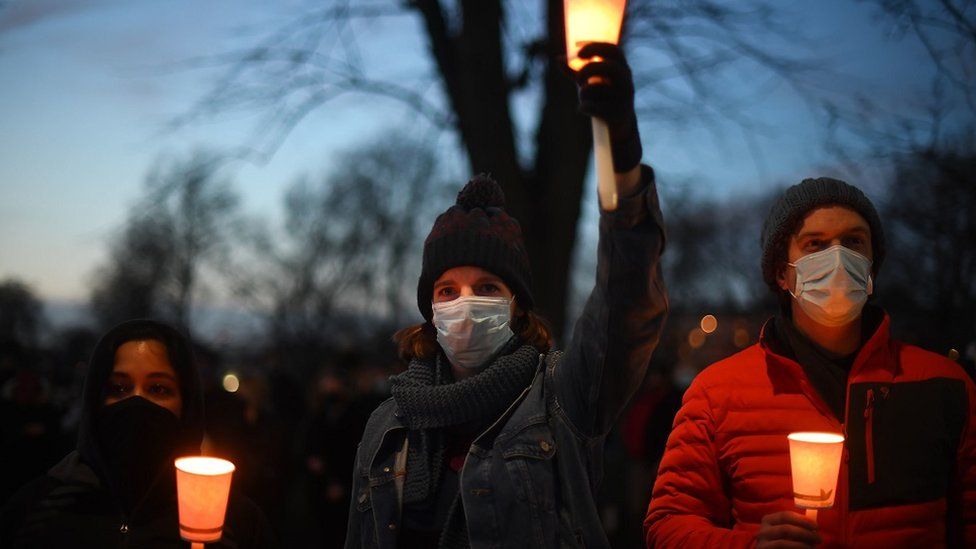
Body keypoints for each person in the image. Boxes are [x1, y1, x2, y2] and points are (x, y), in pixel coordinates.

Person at [344, 42, 668, 548]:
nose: (464, 303)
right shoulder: (387, 425)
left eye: (487, 287)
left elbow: (626, 304)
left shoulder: (564, 397)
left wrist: (619, 158)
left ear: (517, 305)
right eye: (447, 290)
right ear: (430, 310)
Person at [644, 178, 976, 548]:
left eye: (853, 241)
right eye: (815, 244)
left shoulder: (944, 384)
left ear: (871, 267)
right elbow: (669, 522)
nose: (837, 258)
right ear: (782, 274)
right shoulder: (717, 392)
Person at [0, 319, 277, 548]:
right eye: (119, 389)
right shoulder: (36, 509)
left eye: (158, 389)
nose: (137, 402)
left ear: (187, 403)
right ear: (95, 399)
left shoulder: (238, 523)